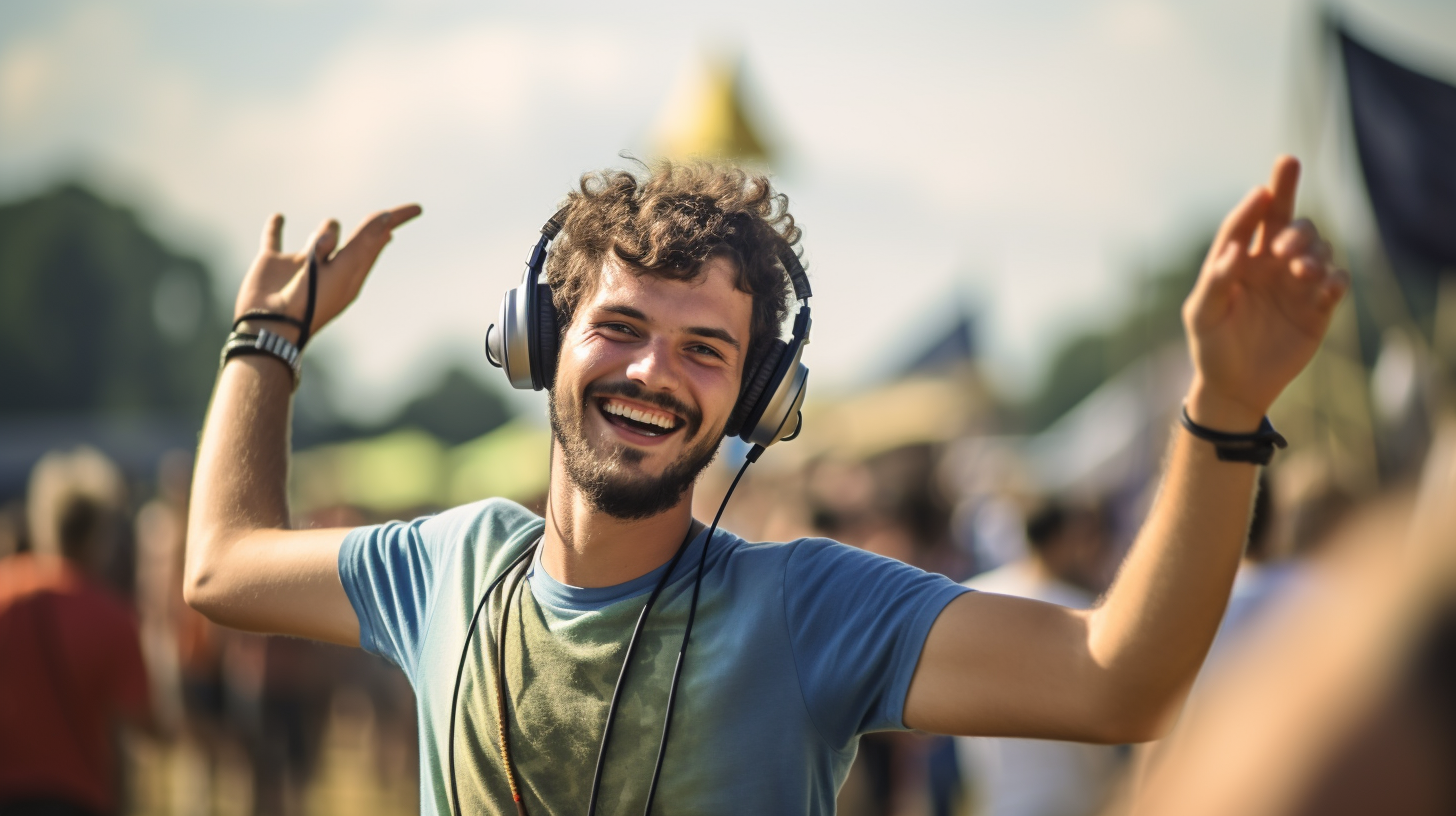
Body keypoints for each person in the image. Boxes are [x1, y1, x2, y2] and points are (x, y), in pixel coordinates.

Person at [184, 157, 1348, 815]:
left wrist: (1224, 410)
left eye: (706, 350)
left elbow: (1120, 685)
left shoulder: (805, 609)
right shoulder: (448, 563)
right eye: (621, 327)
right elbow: (221, 566)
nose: (652, 372)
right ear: (541, 341)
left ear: (757, 404)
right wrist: (265, 341)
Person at [0, 448, 153, 816]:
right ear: (99, 534)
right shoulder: (112, 616)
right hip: (79, 795)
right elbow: (140, 724)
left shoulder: (6, 590)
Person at [955, 501, 1126, 816]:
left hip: (997, 795)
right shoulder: (1080, 614)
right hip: (1068, 795)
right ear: (1062, 540)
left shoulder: (971, 599)